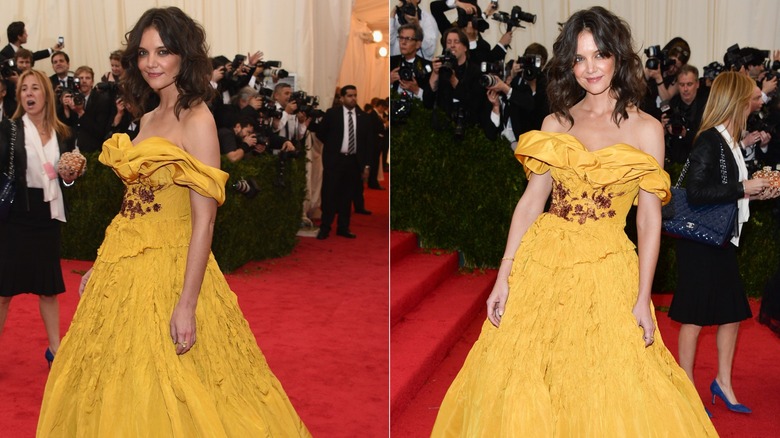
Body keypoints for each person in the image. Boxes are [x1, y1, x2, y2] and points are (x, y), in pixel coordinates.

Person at [431, 7, 717, 436]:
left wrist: (643, 297)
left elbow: (648, 221)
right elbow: (531, 202)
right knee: (528, 375)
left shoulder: (646, 129)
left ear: (617, 56)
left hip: (606, 270)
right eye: (580, 58)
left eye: (599, 55)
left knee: (607, 382)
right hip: (543, 265)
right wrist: (503, 276)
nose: (590, 68)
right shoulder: (556, 122)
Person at [37, 7, 310, 437]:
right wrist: (102, 263)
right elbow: (135, 204)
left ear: (184, 55)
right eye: (143, 52)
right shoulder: (145, 119)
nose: (151, 63)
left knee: (182, 393)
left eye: (163, 51)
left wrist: (186, 304)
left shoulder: (197, 120)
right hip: (123, 269)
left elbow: (205, 222)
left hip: (173, 272)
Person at [668, 71, 779, 415]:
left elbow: (728, 192)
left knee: (732, 314)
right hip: (702, 243)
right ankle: (686, 391)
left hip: (723, 241)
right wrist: (744, 189)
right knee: (694, 316)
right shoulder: (710, 141)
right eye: (750, 98)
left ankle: (724, 384)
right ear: (736, 100)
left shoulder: (731, 141)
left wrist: (756, 191)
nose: (755, 104)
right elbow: (698, 193)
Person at [0, 69, 75, 368]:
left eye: (35, 88)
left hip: (48, 216)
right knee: (3, 290)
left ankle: (55, 350)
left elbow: (67, 179)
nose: (29, 94)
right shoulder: (9, 129)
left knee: (48, 287)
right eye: (24, 90)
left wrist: (70, 176)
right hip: (15, 216)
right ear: (19, 97)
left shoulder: (64, 133)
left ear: (46, 94)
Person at [311, 85, 372, 240]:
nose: (353, 98)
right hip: (335, 160)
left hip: (353, 161)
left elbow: (366, 143)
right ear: (342, 98)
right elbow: (321, 133)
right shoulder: (333, 114)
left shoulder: (363, 116)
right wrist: (333, 147)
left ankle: (343, 227)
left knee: (347, 196)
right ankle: (325, 227)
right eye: (350, 95)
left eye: (355, 95)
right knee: (329, 194)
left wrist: (366, 165)